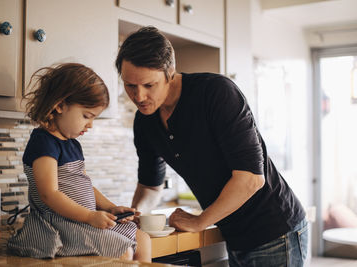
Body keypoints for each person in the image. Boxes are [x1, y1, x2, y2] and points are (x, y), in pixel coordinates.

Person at [115, 26, 308, 266]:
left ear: (170, 72)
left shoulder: (215, 93)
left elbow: (250, 179)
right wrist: (136, 215)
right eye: (130, 86)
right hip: (235, 236)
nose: (139, 96)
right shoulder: (145, 122)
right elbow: (150, 185)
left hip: (275, 232)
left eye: (149, 85)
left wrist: (199, 221)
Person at [7, 63, 151, 262]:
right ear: (60, 105)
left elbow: (84, 186)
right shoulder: (43, 142)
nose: (90, 125)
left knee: (141, 238)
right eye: (86, 116)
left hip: (81, 221)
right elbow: (49, 194)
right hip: (59, 225)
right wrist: (89, 217)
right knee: (121, 251)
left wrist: (109, 208)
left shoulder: (72, 144)